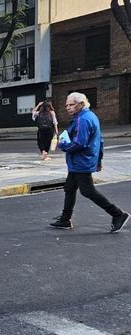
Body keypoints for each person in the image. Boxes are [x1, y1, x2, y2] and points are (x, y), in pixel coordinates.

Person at [49, 92, 129, 232]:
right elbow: (100, 140)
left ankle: (118, 214)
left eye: (71, 104)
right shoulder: (88, 116)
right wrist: (98, 160)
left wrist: (63, 146)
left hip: (81, 161)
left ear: (81, 104)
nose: (68, 107)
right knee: (69, 188)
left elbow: (80, 143)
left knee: (88, 191)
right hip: (81, 161)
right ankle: (65, 219)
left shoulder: (83, 120)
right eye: (67, 104)